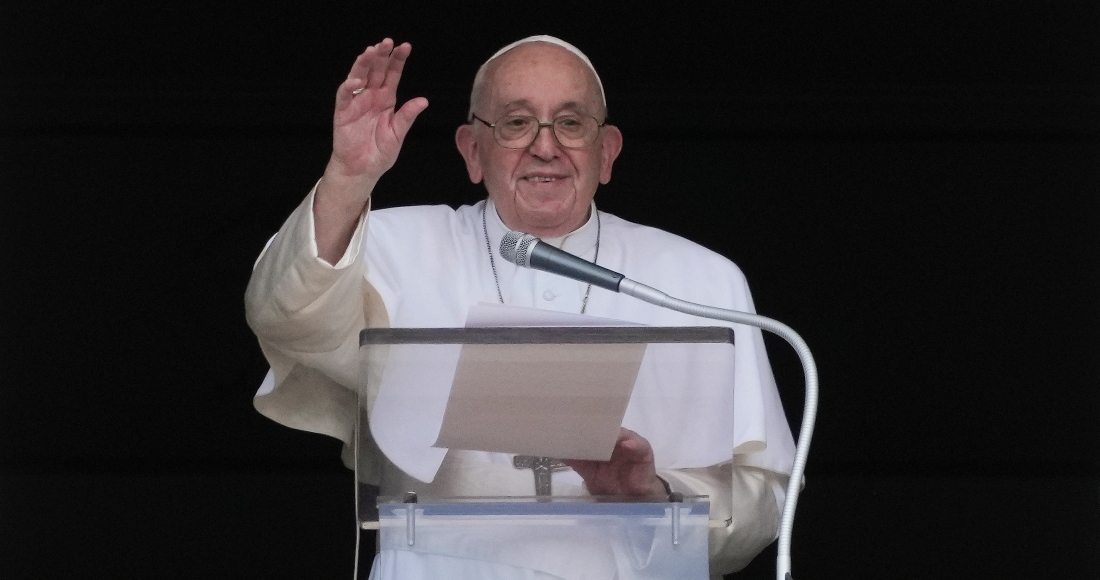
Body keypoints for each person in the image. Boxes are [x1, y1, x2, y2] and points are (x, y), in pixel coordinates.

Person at [245, 35, 796, 579]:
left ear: (607, 153)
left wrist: (656, 496)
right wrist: (349, 178)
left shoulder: (700, 280)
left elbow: (763, 498)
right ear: (471, 150)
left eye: (571, 122)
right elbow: (284, 312)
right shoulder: (389, 246)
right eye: (515, 122)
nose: (545, 145)